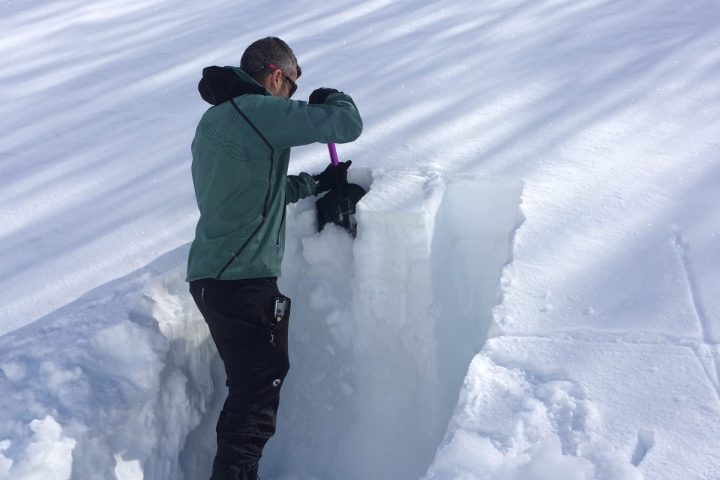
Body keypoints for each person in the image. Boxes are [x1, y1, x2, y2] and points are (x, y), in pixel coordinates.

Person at [186, 37, 363, 479]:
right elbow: (344, 124)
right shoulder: (259, 110)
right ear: (277, 75)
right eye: (294, 86)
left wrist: (314, 184)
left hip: (213, 276)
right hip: (242, 279)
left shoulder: (214, 122)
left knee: (251, 386)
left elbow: (257, 192)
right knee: (257, 389)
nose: (293, 97)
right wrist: (331, 99)